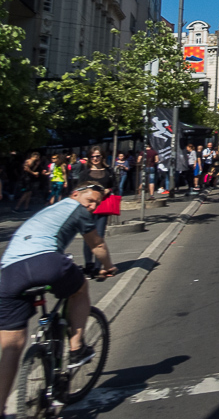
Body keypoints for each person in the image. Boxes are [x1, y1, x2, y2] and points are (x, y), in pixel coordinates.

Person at [0, 182, 117, 410]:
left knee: (10, 348)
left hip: (8, 273)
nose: (92, 207)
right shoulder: (75, 209)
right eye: (90, 200)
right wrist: (108, 266)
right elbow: (97, 244)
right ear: (75, 194)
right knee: (80, 287)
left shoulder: (45, 212)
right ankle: (76, 348)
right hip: (46, 262)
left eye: (96, 203)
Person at [78, 147, 116, 277]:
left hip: (103, 207)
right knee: (87, 237)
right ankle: (88, 264)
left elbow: (115, 185)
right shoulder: (85, 173)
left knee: (99, 236)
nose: (95, 159)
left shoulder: (108, 172)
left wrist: (108, 190)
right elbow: (78, 189)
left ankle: (98, 266)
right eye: (93, 156)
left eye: (98, 156)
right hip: (87, 208)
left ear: (102, 157)